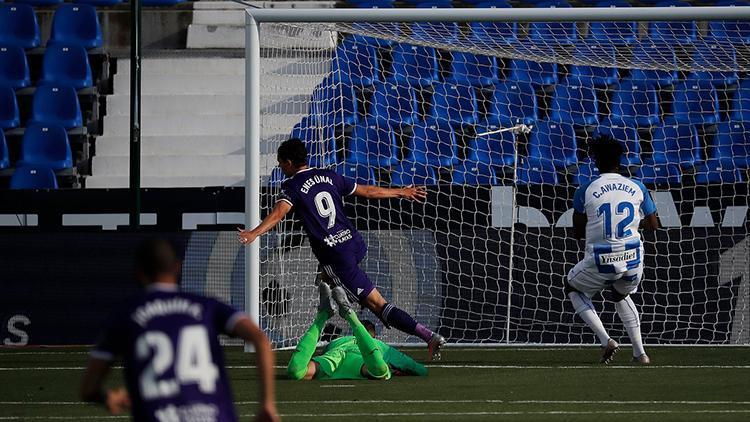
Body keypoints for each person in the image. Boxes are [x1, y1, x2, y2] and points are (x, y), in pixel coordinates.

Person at [238, 138, 446, 360]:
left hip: (337, 254)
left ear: (289, 162)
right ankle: (330, 293)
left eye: (280, 163)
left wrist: (254, 233)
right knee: (326, 276)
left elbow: (278, 214)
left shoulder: (292, 186)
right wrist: (400, 192)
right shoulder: (329, 175)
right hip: (354, 242)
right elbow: (367, 191)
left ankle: (428, 336)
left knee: (377, 304)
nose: (280, 167)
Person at [80, 238, 279, 422]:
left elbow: (88, 389)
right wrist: (267, 403)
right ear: (177, 267)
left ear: (139, 272)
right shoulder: (207, 306)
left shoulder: (124, 315)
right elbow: (260, 340)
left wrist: (108, 396)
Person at [567, 136, 659, 365]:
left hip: (601, 258)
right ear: (620, 160)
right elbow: (654, 224)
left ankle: (606, 340)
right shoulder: (637, 186)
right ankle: (640, 354)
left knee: (572, 287)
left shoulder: (585, 189)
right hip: (633, 258)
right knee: (621, 294)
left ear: (595, 161)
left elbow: (577, 231)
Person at [287, 282, 428, 381]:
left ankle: (324, 315)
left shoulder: (336, 341)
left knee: (295, 371)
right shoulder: (381, 346)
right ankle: (349, 315)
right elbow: (420, 370)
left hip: (337, 361)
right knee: (381, 370)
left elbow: (312, 354)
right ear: (373, 336)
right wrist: (401, 371)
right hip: (358, 363)